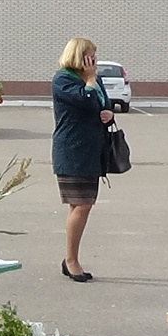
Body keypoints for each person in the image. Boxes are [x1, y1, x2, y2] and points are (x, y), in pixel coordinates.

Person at [51, 37, 114, 283]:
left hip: (92, 151)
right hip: (72, 151)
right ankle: (71, 260)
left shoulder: (93, 79)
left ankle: (71, 257)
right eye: (91, 55)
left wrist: (108, 113)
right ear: (79, 56)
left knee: (82, 204)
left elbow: (102, 103)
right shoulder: (63, 79)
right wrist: (89, 80)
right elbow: (85, 100)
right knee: (82, 204)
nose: (95, 60)